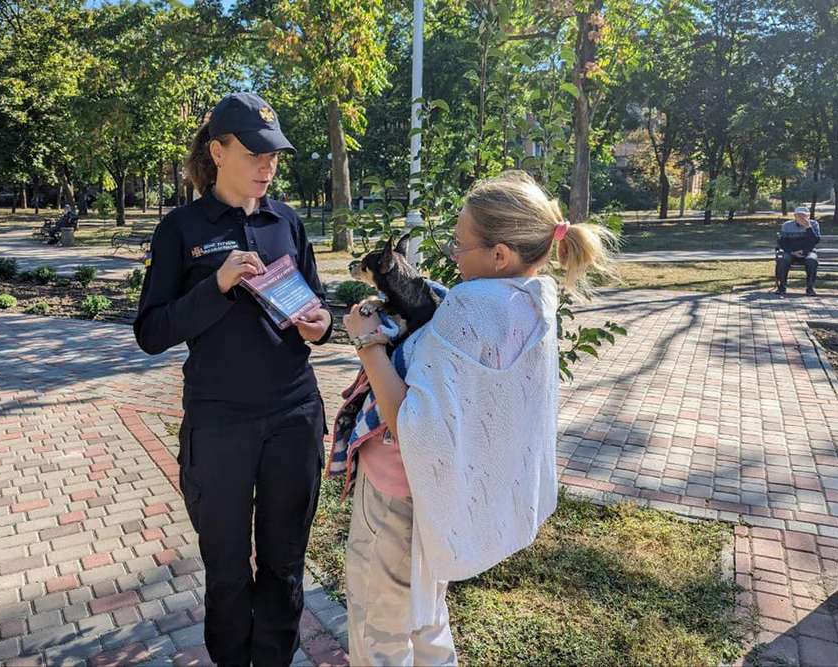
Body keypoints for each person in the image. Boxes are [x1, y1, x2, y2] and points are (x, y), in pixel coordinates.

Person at [339, 171, 614, 665]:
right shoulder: (536, 299)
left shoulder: (472, 307)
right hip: (448, 492)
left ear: (500, 254)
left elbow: (411, 423)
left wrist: (367, 342)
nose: (453, 256)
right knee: (426, 614)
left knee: (377, 624)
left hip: (399, 489)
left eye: (460, 246)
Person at [133, 92, 333, 667]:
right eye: (255, 153)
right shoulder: (182, 228)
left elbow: (315, 306)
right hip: (218, 424)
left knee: (284, 563)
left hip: (293, 417)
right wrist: (214, 286)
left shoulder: (286, 221)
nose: (268, 166)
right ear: (217, 151)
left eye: (274, 155)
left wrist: (320, 325)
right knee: (225, 567)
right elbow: (151, 331)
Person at [775, 205, 821, 296]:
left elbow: (815, 241)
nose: (801, 218)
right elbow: (782, 242)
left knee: (812, 261)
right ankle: (782, 287)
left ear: (808, 216)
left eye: (804, 216)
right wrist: (792, 252)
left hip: (808, 251)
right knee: (783, 260)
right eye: (799, 215)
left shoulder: (814, 224)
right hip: (791, 252)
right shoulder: (787, 225)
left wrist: (808, 228)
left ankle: (810, 288)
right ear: (795, 216)